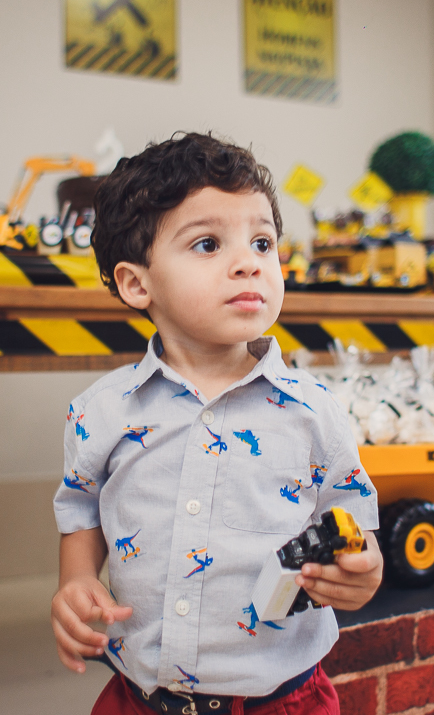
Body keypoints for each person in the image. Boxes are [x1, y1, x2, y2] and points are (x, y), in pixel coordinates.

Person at [52, 133, 382, 715]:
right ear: (136, 283)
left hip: (281, 701)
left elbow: (352, 523)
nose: (248, 261)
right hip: (141, 698)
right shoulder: (100, 411)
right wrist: (76, 580)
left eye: (262, 242)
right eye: (208, 243)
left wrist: (366, 572)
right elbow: (80, 505)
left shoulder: (315, 410)